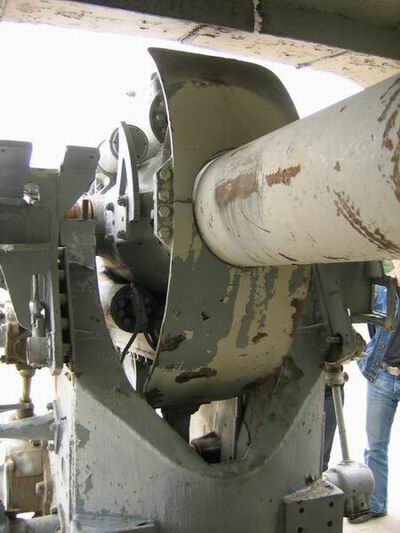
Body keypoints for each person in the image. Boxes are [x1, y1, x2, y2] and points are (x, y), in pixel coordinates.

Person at [349, 259, 400, 524]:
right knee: (376, 446)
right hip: (383, 376)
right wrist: (369, 360)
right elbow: (369, 325)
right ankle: (376, 504)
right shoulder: (381, 290)